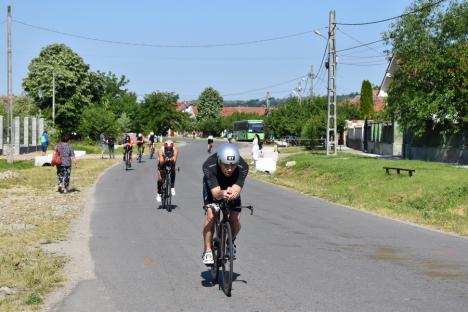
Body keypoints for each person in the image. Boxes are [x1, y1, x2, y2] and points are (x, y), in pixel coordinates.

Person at [202, 144, 249, 265]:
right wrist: (223, 193)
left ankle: (230, 242)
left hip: (231, 187)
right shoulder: (209, 165)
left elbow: (237, 189)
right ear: (219, 161)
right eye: (226, 165)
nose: (229, 169)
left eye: (233, 165)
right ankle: (207, 250)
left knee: (235, 219)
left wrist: (233, 192)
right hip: (214, 188)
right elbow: (216, 194)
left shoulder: (243, 166)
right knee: (211, 216)